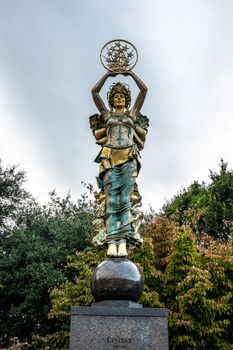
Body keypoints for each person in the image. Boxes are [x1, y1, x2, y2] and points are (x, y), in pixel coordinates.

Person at [90, 70, 148, 257]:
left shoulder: (132, 115)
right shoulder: (107, 116)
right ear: (112, 100)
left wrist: (130, 74)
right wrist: (108, 75)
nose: (119, 98)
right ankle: (111, 242)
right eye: (116, 96)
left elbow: (144, 90)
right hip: (110, 160)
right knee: (112, 200)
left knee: (125, 200)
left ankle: (122, 241)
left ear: (127, 99)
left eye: (122, 96)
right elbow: (95, 92)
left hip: (129, 159)